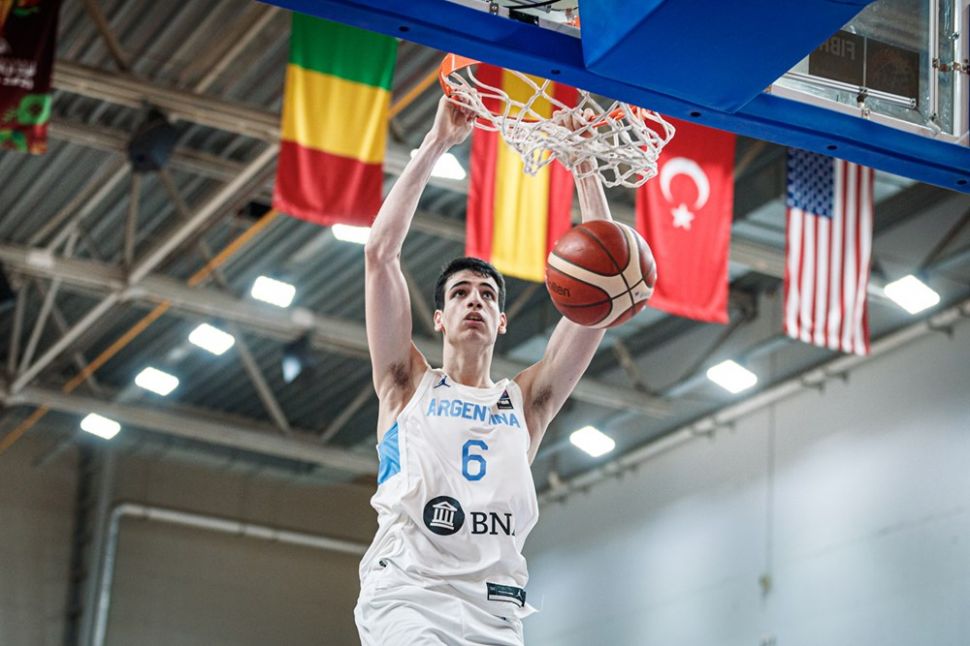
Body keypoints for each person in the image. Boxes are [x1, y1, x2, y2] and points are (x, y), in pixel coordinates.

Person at [355, 96, 613, 645]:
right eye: (460, 293)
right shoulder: (406, 384)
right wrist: (436, 143)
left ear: (501, 322)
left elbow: (602, 298)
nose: (474, 299)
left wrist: (585, 165)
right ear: (439, 319)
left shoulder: (526, 403)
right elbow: (379, 254)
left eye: (487, 295)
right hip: (408, 593)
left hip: (494, 611)